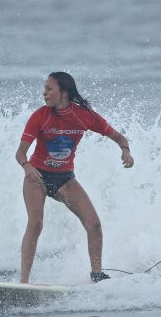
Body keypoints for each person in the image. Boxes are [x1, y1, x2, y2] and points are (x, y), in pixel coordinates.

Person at [15, 72, 134, 284]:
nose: (44, 94)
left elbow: (119, 137)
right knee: (35, 224)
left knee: (94, 224)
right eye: (45, 89)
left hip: (65, 179)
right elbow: (20, 154)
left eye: (49, 89)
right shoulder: (40, 116)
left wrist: (125, 151)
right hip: (38, 177)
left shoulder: (84, 116)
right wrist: (27, 167)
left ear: (64, 93)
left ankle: (97, 275)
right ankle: (23, 282)